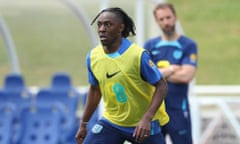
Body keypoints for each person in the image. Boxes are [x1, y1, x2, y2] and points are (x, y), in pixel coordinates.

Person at [75, 7, 169, 144]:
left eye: (108, 24)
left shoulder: (137, 56)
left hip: (142, 124)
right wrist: (83, 124)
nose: (102, 29)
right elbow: (95, 90)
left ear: (120, 28)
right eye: (99, 24)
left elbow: (162, 86)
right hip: (112, 122)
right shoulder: (93, 57)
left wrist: (147, 118)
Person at [143, 3, 198, 144]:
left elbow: (186, 76)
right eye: (161, 19)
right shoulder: (150, 46)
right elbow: (145, 76)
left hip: (178, 110)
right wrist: (172, 69)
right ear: (157, 22)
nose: (166, 22)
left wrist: (157, 73)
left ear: (175, 18)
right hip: (155, 110)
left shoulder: (188, 45)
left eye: (168, 17)